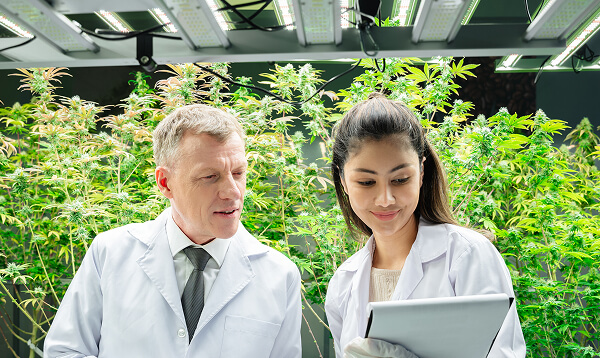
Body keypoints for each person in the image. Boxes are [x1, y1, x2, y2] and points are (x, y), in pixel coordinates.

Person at [44, 104, 302, 358]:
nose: (233, 192)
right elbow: (65, 351)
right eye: (210, 176)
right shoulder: (110, 253)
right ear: (165, 183)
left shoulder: (280, 275)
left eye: (238, 172)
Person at [324, 93, 526, 358]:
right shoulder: (343, 282)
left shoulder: (467, 255)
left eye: (400, 179)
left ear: (420, 173)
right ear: (343, 181)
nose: (386, 199)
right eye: (366, 182)